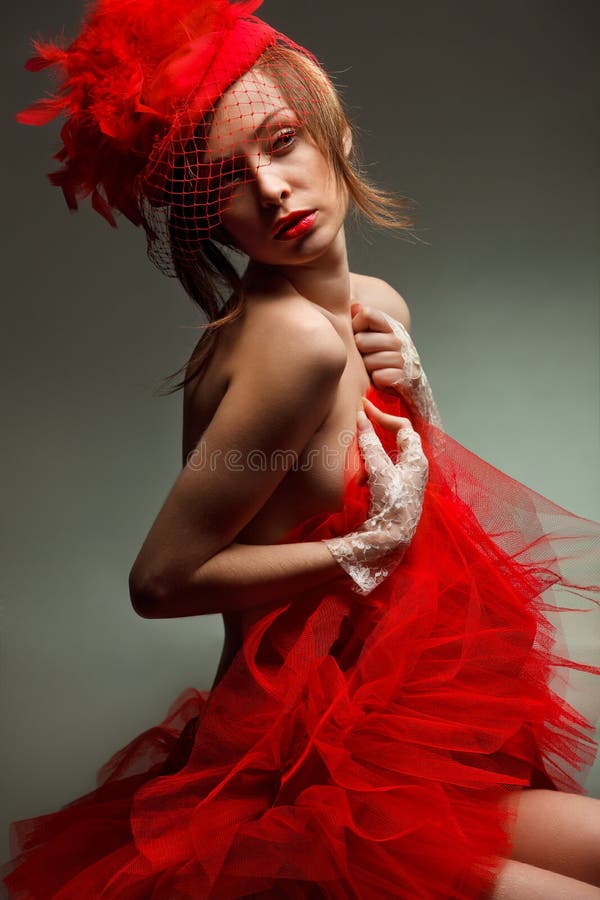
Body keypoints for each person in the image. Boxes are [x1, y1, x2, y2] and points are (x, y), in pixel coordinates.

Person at [3, 1, 600, 897]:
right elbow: (160, 581)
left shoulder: (374, 307)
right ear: (205, 217)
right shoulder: (294, 346)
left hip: (386, 747)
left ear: (335, 129)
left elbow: (364, 488)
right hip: (298, 774)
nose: (272, 189)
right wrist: (361, 551)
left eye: (281, 141)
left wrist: (419, 405)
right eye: (224, 183)